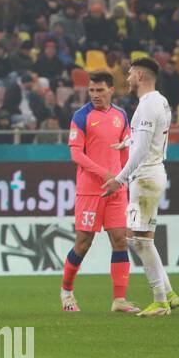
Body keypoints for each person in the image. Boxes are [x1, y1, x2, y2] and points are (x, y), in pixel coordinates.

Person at [102, 58, 179, 317]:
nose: (126, 79)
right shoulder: (160, 101)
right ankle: (168, 292)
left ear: (139, 76)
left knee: (137, 239)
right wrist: (126, 142)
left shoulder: (147, 106)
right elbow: (146, 137)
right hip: (153, 174)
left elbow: (143, 148)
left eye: (129, 74)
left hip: (145, 178)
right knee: (143, 238)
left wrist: (119, 179)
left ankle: (160, 301)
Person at [61, 72, 140, 313]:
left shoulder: (121, 115)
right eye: (92, 90)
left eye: (100, 90)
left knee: (120, 240)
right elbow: (76, 154)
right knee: (83, 243)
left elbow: (125, 151)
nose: (95, 95)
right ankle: (66, 292)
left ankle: (119, 300)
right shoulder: (81, 116)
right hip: (90, 191)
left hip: (117, 190)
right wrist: (106, 175)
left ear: (111, 90)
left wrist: (123, 178)